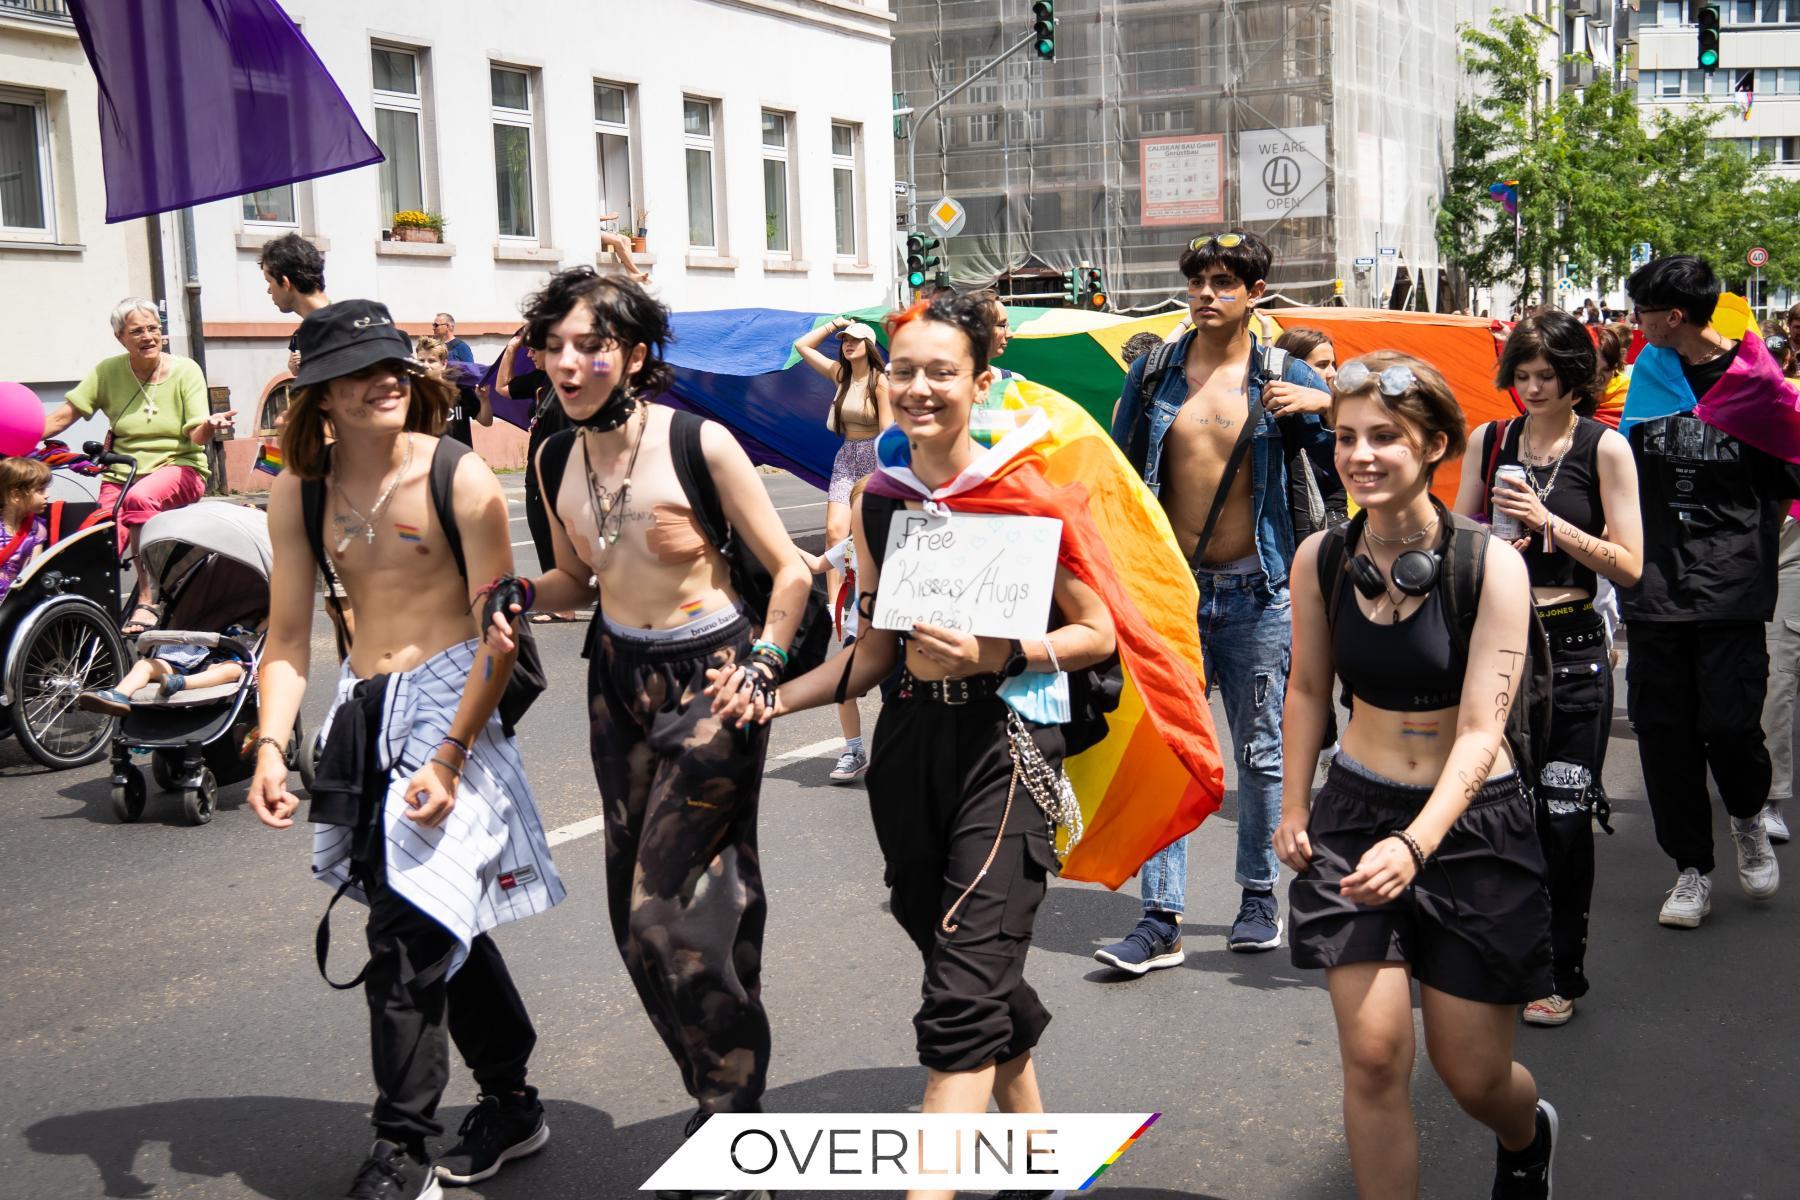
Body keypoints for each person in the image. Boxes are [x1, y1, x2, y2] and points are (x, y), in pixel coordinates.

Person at [706, 293, 1118, 1200]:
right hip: (910, 749)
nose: (921, 388)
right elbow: (872, 656)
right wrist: (768, 698)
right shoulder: (883, 501)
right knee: (954, 949)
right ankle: (1039, 1152)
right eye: (906, 371)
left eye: (943, 371)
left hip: (1005, 746)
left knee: (960, 993)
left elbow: (1098, 634)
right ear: (884, 383)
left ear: (980, 380)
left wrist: (1002, 651)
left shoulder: (1027, 493)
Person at [482, 267, 809, 1171]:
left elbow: (792, 571)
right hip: (617, 682)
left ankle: (731, 1122)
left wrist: (766, 663)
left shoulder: (699, 444)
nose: (568, 363)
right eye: (553, 347)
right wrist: (513, 591)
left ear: (631, 354)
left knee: (668, 916)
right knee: (644, 928)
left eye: (590, 346)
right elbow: (574, 583)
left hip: (715, 680)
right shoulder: (553, 455)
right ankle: (727, 1080)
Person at [247, 299, 564, 1199]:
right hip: (366, 711)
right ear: (319, 397)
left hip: (456, 701)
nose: (385, 379)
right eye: (359, 371)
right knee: (426, 913)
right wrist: (272, 747)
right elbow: (284, 638)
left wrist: (452, 756)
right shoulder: (298, 492)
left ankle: (404, 1146)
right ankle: (512, 1098)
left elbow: (500, 637)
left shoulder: (459, 478)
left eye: (392, 364)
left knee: (403, 935)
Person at [1277, 351, 1559, 1200]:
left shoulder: (1491, 566)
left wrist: (1418, 840)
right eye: (1345, 438)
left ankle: (1525, 1133)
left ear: (1434, 443)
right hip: (1358, 811)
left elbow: (1482, 730)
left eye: (1385, 438)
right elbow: (1306, 687)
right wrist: (1295, 804)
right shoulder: (1322, 559)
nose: (1360, 455)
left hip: (1470, 827)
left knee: (1473, 1075)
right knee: (1372, 1059)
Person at [1101, 230, 1335, 965]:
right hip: (1170, 593)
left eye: (1225, 281)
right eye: (1199, 280)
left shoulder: (1283, 373)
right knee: (1170, 751)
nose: (1206, 293)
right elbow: (1119, 477)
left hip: (1258, 591)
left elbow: (1343, 471)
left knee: (1262, 752)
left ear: (1256, 294)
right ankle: (1160, 917)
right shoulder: (1153, 375)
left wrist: (1319, 410)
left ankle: (1258, 896)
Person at [1454, 311, 1643, 1027]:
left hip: (1572, 646)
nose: (1532, 389)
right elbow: (1462, 532)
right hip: (1496, 642)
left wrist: (1548, 520)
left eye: (1547, 377)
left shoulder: (1606, 449)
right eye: (1522, 376)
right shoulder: (1490, 439)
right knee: (1496, 812)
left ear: (1576, 379)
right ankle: (1500, 953)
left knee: (1564, 817)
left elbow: (1629, 564)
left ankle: (1562, 971)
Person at [1619, 255, 1800, 929]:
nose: (1634, 324)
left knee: (1729, 725)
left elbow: (1784, 485)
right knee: (1664, 734)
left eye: (1641, 312)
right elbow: (1623, 473)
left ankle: (1748, 818)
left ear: (1673, 316)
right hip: (1655, 583)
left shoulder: (1758, 383)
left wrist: (1742, 552)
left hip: (1731, 588)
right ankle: (1690, 868)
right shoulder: (1650, 372)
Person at [42, 299, 231, 634]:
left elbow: (195, 433)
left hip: (180, 466)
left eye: (153, 329)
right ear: (120, 338)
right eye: (137, 331)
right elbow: (62, 416)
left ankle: (147, 597)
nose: (147, 336)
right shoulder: (107, 371)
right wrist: (15, 442)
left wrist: (210, 426)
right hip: (122, 471)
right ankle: (89, 618)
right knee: (97, 535)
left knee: (138, 500)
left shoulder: (186, 370)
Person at [793, 316, 891, 613]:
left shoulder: (880, 382)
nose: (848, 345)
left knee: (873, 532)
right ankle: (834, 603)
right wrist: (834, 325)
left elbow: (888, 431)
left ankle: (881, 594)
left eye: (854, 340)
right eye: (845, 341)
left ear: (868, 346)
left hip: (874, 457)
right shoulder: (841, 375)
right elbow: (802, 346)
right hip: (846, 456)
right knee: (835, 530)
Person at [799, 473, 873, 782]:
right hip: (860, 632)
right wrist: (775, 541)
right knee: (844, 690)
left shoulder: (907, 541)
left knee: (901, 698)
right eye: (857, 512)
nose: (863, 519)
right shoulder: (851, 546)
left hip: (899, 634)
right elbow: (817, 565)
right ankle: (854, 750)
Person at [78, 622, 257, 715]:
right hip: (177, 658)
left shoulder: (245, 628)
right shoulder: (192, 611)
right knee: (145, 665)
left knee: (233, 670)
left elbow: (254, 649)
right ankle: (119, 695)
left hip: (212, 663)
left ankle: (181, 683)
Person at [260, 232, 332, 376]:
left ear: (286, 283)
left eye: (269, 281)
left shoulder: (331, 332)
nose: (268, 290)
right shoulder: (311, 331)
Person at [0, 455, 50, 603]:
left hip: (11, 600)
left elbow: (32, 572)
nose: (47, 495)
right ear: (16, 495)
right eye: (40, 490)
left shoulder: (37, 530)